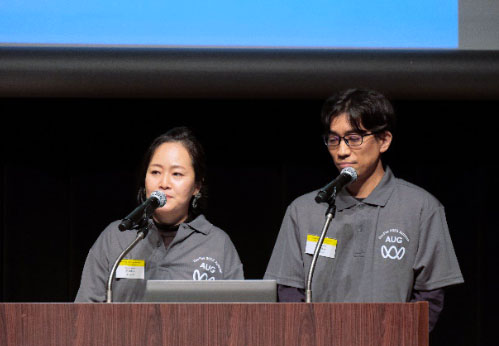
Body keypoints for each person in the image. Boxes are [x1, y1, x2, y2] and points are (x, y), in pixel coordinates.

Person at [264, 89, 463, 330]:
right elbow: (287, 291)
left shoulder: (421, 208)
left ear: (384, 140)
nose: (342, 151)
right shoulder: (305, 210)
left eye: (354, 138)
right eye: (334, 139)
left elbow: (430, 297)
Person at [76, 127, 244, 302]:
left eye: (176, 174)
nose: (164, 183)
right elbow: (85, 311)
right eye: (155, 172)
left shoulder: (217, 243)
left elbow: (238, 316)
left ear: (197, 186)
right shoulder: (117, 237)